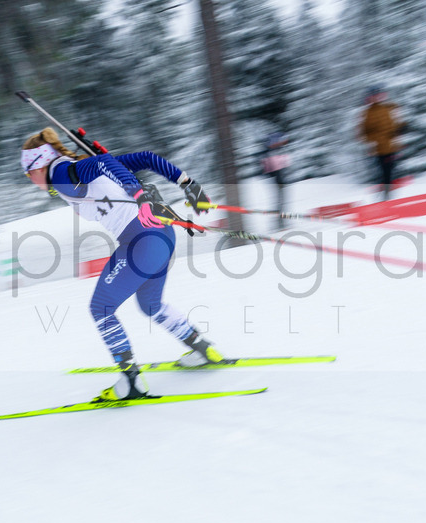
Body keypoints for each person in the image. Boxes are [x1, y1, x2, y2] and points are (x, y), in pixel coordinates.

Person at [20, 128, 223, 401]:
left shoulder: (62, 173)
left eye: (28, 172)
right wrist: (189, 185)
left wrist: (138, 195)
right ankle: (201, 348)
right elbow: (146, 158)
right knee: (151, 304)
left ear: (41, 163)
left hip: (141, 241)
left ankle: (132, 381)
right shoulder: (74, 170)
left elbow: (103, 163)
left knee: (101, 308)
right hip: (161, 235)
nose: (30, 179)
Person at [358, 87, 405, 200]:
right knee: (385, 173)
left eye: (380, 95)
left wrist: (402, 127)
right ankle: (385, 198)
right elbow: (364, 132)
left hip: (393, 146)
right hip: (380, 149)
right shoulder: (368, 113)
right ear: (370, 98)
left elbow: (397, 122)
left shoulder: (391, 107)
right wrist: (375, 140)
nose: (378, 98)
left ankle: (387, 196)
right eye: (374, 96)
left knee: (391, 172)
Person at [261, 132, 290, 229]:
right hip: (277, 180)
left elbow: (283, 165)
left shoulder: (277, 151)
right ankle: (280, 224)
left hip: (279, 179)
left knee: (281, 201)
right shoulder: (272, 152)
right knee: (279, 201)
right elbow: (271, 169)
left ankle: (280, 222)